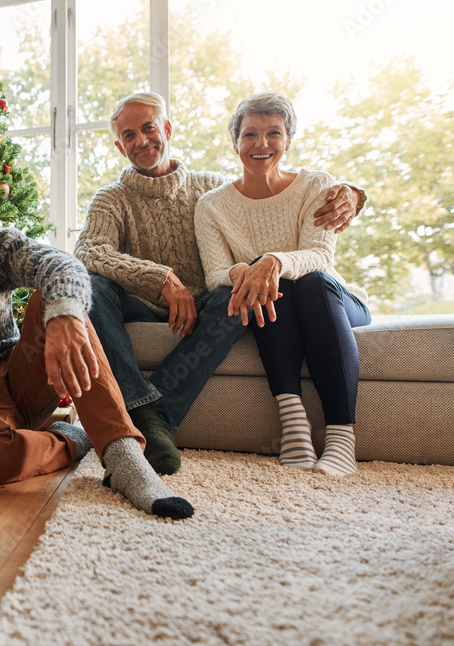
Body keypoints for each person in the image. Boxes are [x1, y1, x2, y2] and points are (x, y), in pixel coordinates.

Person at [0, 137, 194, 520]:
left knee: (57, 299)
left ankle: (125, 459)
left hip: (25, 375)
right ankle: (69, 440)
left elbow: (62, 264)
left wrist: (64, 316)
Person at [74, 92, 365, 475]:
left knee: (241, 291)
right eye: (129, 135)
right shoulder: (111, 199)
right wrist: (161, 278)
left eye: (148, 127)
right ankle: (147, 412)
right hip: (142, 301)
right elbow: (88, 251)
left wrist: (353, 194)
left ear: (167, 129)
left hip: (218, 304)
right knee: (91, 287)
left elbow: (268, 188)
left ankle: (150, 417)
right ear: (119, 145)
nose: (141, 140)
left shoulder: (209, 188)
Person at [195, 92, 371, 475]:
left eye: (273, 133)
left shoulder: (316, 186)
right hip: (274, 302)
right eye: (250, 134)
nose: (261, 144)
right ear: (235, 142)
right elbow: (215, 275)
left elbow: (319, 257)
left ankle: (342, 438)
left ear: (288, 140)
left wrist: (271, 261)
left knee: (306, 282)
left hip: (331, 301)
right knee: (269, 289)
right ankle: (294, 428)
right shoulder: (212, 205)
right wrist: (252, 272)